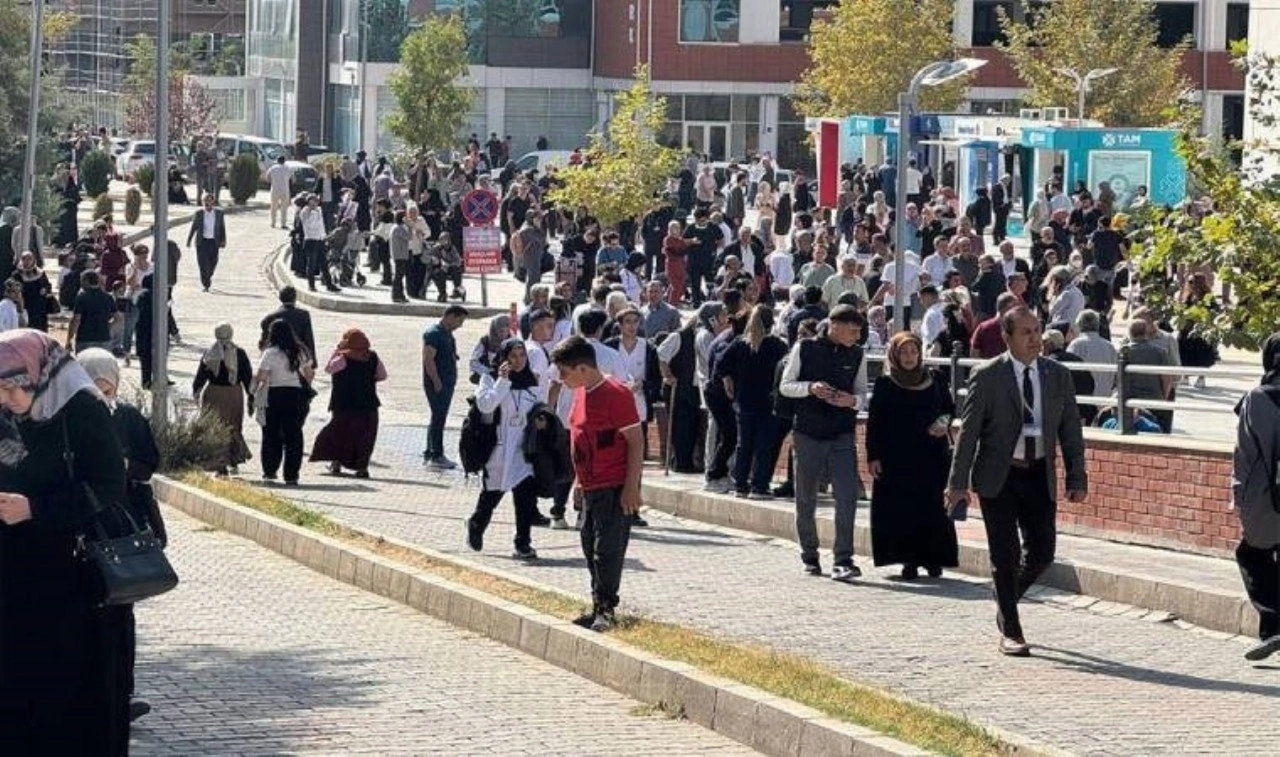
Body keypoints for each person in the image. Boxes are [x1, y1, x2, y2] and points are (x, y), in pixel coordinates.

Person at [0, 330, 131, 754]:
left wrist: (35, 509)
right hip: (16, 583)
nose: (6, 399)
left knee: (70, 699)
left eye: (11, 388)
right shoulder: (8, 415)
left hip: (73, 584)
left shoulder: (83, 409)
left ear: (38, 374)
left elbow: (109, 486)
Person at [946, 306, 1087, 657]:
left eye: (1037, 330)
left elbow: (1071, 429)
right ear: (1006, 338)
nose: (1035, 338)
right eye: (1025, 332)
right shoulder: (988, 375)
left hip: (1039, 472)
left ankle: (1005, 596)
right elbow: (969, 434)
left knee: (1043, 551)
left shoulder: (1057, 375)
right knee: (1004, 553)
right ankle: (1011, 628)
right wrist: (957, 483)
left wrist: (1076, 474)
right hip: (1000, 474)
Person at [76, 347, 165, 724]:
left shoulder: (128, 416)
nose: (102, 390)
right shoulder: (70, 418)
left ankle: (121, 695)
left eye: (107, 384)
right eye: (94, 383)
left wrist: (127, 467)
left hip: (123, 531)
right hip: (83, 531)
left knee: (121, 615)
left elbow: (151, 462)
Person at [551, 335, 644, 632]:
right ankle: (596, 605)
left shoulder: (617, 394)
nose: (560, 378)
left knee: (608, 550)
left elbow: (636, 442)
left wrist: (632, 488)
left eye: (564, 372)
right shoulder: (579, 393)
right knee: (589, 545)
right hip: (589, 486)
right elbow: (579, 440)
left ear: (582, 368)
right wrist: (578, 482)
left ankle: (607, 609)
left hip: (614, 485)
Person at [780, 304, 868, 581]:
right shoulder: (805, 348)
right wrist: (810, 388)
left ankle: (844, 557)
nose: (856, 336)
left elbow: (863, 393)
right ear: (834, 325)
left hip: (842, 432)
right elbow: (786, 385)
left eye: (859, 331)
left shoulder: (857, 354)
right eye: (852, 330)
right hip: (808, 432)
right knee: (806, 497)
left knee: (847, 496)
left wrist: (852, 401)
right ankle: (810, 554)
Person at [867, 332, 959, 579]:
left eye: (913, 351)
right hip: (896, 458)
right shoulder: (886, 384)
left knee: (932, 508)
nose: (909, 357)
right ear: (895, 355)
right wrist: (873, 456)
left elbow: (949, 409)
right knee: (902, 510)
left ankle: (933, 558)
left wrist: (942, 422)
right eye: (903, 352)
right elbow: (875, 422)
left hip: (931, 456)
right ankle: (909, 560)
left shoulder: (935, 379)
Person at [465, 338, 547, 560]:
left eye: (522, 356)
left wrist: (542, 420)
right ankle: (476, 523)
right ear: (504, 358)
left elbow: (541, 406)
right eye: (513, 356)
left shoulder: (532, 380)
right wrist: (502, 381)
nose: (518, 361)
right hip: (498, 450)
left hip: (524, 451)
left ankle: (523, 543)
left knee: (525, 499)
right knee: (492, 494)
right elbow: (486, 405)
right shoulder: (489, 378)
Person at [1231, 332, 1280, 661]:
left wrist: (1240, 499)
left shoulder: (1257, 399)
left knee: (1252, 555)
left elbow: (1245, 458)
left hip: (1267, 498)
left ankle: (1273, 625)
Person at [717, 305, 788, 498]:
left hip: (744, 399)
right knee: (764, 445)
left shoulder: (740, 343)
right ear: (771, 323)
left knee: (745, 444)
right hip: (769, 401)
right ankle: (759, 485)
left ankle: (740, 484)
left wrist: (727, 380)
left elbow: (720, 364)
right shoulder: (777, 346)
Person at [311, 329, 385, 479]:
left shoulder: (342, 359)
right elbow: (382, 375)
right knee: (365, 438)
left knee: (340, 434)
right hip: (368, 405)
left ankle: (336, 463)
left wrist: (338, 350)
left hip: (344, 404)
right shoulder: (373, 357)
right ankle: (362, 468)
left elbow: (328, 369)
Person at [252, 319, 315, 486]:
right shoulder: (301, 351)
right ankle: (291, 475)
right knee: (294, 435)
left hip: (274, 395)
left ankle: (270, 470)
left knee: (271, 434)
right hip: (296, 395)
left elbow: (262, 377)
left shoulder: (270, 353)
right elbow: (309, 374)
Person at [193, 323, 253, 475]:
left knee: (215, 427)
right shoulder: (239, 353)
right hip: (234, 394)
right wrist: (251, 396)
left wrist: (196, 392)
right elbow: (247, 376)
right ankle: (233, 459)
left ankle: (219, 463)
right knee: (233, 426)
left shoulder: (210, 353)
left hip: (214, 394)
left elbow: (201, 376)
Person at [422, 305, 468, 468]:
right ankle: (436, 455)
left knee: (437, 416)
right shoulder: (434, 334)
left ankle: (430, 450)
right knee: (439, 417)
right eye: (459, 320)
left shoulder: (447, 334)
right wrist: (436, 381)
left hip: (446, 382)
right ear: (450, 316)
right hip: (438, 384)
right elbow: (428, 359)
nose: (460, 325)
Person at [67, 270, 119, 354]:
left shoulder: (81, 298)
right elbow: (117, 318)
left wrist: (69, 338)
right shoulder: (108, 297)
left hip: (85, 338)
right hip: (104, 338)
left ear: (86, 281)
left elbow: (76, 319)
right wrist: (109, 326)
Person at [258, 286, 316, 361]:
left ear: (280, 298)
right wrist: (313, 360)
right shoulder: (304, 315)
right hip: (298, 357)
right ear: (295, 298)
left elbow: (263, 343)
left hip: (276, 358)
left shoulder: (270, 318)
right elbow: (308, 339)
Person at [186, 193, 226, 292]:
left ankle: (209, 276)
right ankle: (206, 284)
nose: (207, 203)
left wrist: (223, 240)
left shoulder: (219, 214)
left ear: (213, 202)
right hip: (202, 242)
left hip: (214, 242)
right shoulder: (199, 213)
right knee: (202, 263)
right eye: (205, 201)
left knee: (213, 262)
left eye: (209, 201)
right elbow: (194, 227)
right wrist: (189, 240)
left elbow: (222, 228)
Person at [267, 156, 294, 228]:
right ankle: (283, 224)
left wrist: (273, 182)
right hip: (284, 189)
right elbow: (293, 179)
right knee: (284, 207)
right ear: (284, 161)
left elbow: (267, 177)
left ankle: (273, 223)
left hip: (275, 189)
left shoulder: (273, 168)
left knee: (273, 206)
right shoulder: (288, 168)